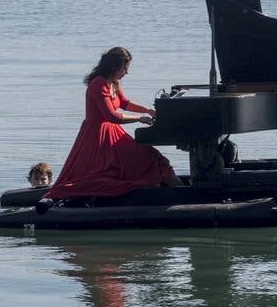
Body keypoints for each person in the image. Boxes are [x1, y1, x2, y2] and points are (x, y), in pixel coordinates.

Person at [45, 47, 182, 199]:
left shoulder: (113, 82)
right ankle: (181, 194)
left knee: (153, 158)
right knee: (147, 160)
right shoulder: (99, 84)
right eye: (124, 68)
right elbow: (112, 116)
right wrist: (139, 119)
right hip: (99, 137)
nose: (126, 72)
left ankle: (176, 191)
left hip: (113, 132)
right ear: (114, 67)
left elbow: (124, 103)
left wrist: (147, 110)